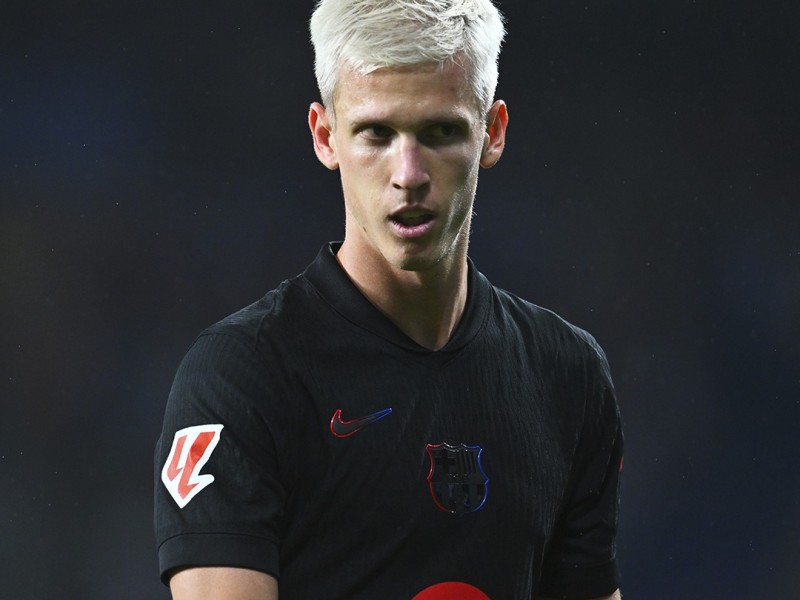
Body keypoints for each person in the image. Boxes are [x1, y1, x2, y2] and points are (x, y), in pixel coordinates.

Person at [154, 0, 624, 598]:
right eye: (376, 133)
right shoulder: (240, 377)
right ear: (325, 136)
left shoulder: (569, 375)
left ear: (493, 132)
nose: (408, 174)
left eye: (441, 132)